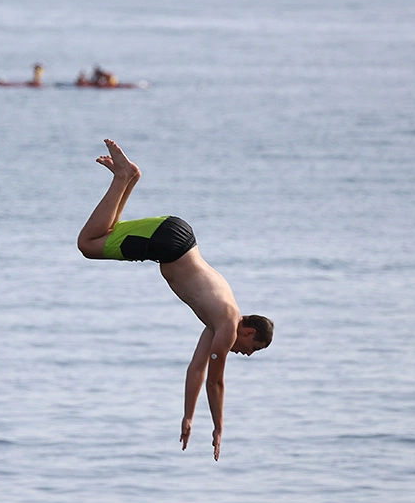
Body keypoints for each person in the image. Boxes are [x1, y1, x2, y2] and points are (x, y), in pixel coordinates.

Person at [77, 139, 273, 460]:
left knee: (101, 234)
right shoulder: (225, 326)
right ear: (249, 332)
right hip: (168, 245)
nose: (246, 353)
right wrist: (219, 427)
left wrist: (188, 415)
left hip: (175, 236)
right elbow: (216, 382)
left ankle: (127, 178)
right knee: (87, 244)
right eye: (252, 349)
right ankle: (124, 177)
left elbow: (196, 369)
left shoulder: (219, 319)